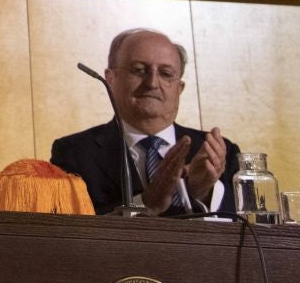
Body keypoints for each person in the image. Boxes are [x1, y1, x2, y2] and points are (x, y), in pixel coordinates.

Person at [49, 27, 241, 217]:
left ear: (179, 88)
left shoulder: (218, 154)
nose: (152, 83)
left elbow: (245, 233)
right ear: (111, 79)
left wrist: (202, 192)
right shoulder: (75, 153)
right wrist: (145, 203)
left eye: (166, 74)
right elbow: (71, 233)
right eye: (139, 70)